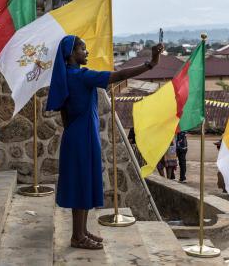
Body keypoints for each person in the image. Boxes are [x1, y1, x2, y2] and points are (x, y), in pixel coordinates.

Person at [46, 35, 163, 250]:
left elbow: (65, 114)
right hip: (83, 138)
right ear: (71, 54)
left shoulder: (66, 77)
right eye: (82, 49)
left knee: (83, 184)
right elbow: (119, 74)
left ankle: (80, 231)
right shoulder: (81, 76)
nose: (86, 52)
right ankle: (77, 237)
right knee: (82, 184)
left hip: (76, 134)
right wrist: (150, 63)